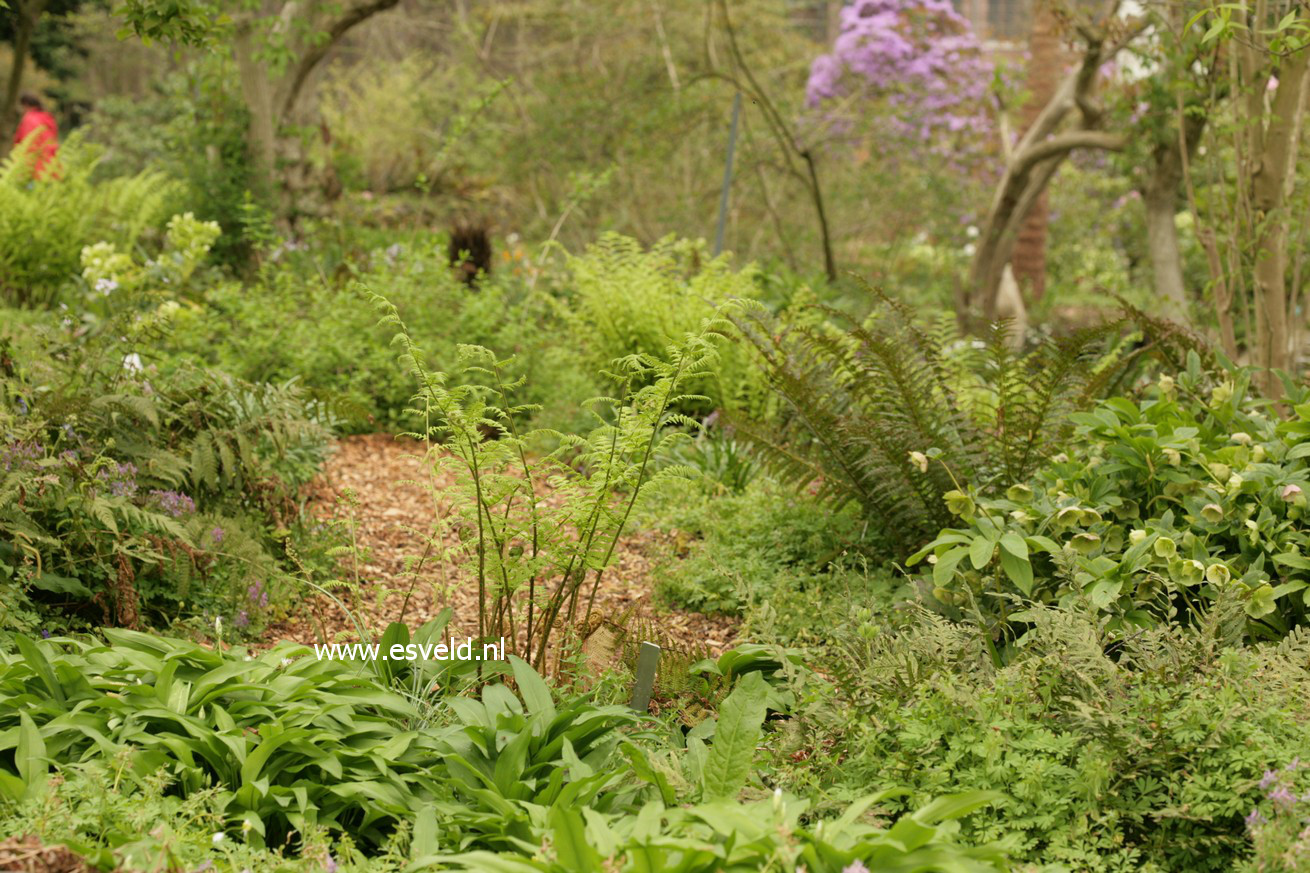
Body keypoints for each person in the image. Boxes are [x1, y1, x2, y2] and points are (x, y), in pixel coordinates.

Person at [13, 93, 59, 180]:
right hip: (51, 167)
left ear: (26, 105)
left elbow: (21, 143)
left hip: (32, 168)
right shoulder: (49, 118)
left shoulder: (28, 119)